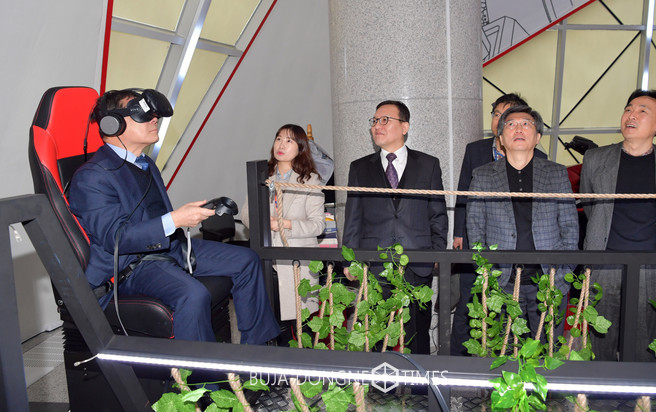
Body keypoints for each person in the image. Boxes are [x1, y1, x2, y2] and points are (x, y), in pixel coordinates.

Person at [69, 88, 279, 344]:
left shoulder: (144, 164)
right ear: (113, 124)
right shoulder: (91, 177)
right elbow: (116, 239)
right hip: (131, 267)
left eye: (153, 114)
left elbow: (153, 216)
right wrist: (175, 220)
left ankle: (258, 353)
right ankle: (202, 371)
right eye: (142, 114)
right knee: (193, 294)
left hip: (168, 248)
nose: (154, 119)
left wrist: (184, 218)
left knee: (247, 260)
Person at [580, 89, 656, 361]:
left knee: (644, 345)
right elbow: (589, 206)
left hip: (651, 267)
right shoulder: (595, 159)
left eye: (643, 111)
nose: (632, 115)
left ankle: (638, 389)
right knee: (599, 344)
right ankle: (602, 388)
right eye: (629, 109)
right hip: (604, 264)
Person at [342, 100, 448, 354]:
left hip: (418, 261)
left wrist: (437, 252)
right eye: (374, 121)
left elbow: (437, 213)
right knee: (377, 333)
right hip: (375, 262)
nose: (377, 126)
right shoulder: (359, 168)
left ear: (404, 127)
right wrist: (349, 259)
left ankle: (419, 380)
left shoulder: (428, 164)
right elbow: (353, 217)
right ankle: (381, 380)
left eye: (385, 120)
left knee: (417, 334)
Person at [467, 105, 578, 342]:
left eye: (526, 124)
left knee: (548, 348)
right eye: (511, 124)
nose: (518, 129)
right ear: (500, 138)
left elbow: (570, 226)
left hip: (549, 280)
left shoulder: (556, 173)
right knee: (502, 349)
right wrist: (487, 273)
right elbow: (475, 228)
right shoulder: (483, 175)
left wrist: (563, 273)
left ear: (537, 137)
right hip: (501, 282)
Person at [451, 93, 547, 355]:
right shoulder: (475, 150)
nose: (501, 120)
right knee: (469, 300)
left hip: (516, 246)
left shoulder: (538, 155)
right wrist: (459, 232)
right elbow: (463, 192)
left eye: (509, 116)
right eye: (497, 115)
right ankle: (459, 358)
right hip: (477, 237)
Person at [241, 124, 325, 324]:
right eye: (278, 138)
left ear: (301, 148)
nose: (281, 144)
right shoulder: (263, 176)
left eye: (289, 140)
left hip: (296, 262)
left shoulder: (311, 180)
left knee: (299, 326)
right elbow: (245, 214)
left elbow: (317, 225)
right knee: (266, 321)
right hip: (265, 259)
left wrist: (285, 224)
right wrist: (263, 223)